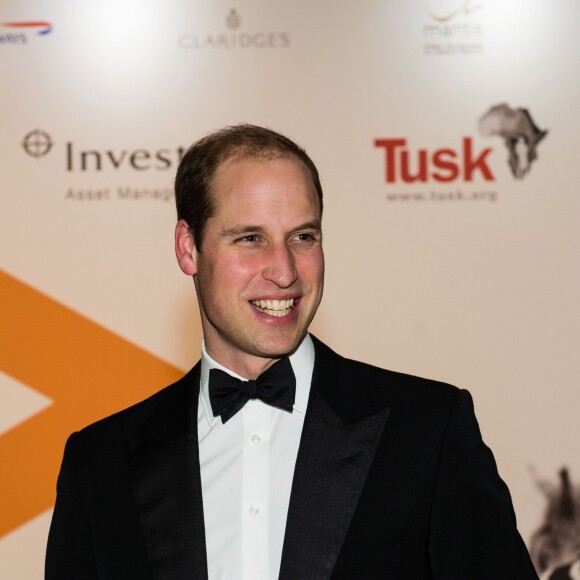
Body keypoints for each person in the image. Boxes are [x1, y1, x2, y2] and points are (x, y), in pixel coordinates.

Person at [46, 125, 538, 579]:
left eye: (303, 237)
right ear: (187, 248)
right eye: (250, 239)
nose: (284, 271)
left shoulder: (428, 432)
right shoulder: (100, 464)